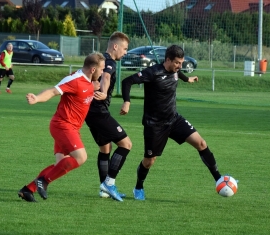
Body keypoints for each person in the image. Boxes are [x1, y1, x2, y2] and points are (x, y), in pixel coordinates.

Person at [121, 45, 223, 200]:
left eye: (181, 63)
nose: (180, 66)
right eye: (177, 63)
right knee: (149, 161)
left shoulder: (175, 71)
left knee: (201, 143)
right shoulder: (153, 72)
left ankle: (219, 179)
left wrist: (187, 79)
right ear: (167, 60)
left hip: (174, 119)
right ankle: (138, 187)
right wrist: (127, 102)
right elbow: (127, 81)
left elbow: (178, 73)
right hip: (154, 124)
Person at [18, 52, 106, 202]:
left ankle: (28, 190)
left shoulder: (88, 81)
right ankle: (44, 181)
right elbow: (53, 91)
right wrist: (37, 98)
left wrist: (94, 87)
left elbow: (85, 89)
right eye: (102, 69)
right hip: (63, 126)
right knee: (81, 157)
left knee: (60, 164)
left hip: (70, 128)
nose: (103, 72)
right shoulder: (75, 80)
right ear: (93, 69)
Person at [85, 31, 132, 202]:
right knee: (126, 144)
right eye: (125, 48)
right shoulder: (109, 62)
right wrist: (104, 92)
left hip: (89, 112)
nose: (125, 52)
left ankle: (104, 190)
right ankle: (109, 183)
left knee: (105, 149)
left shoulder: (98, 60)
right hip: (98, 111)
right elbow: (105, 76)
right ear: (115, 46)